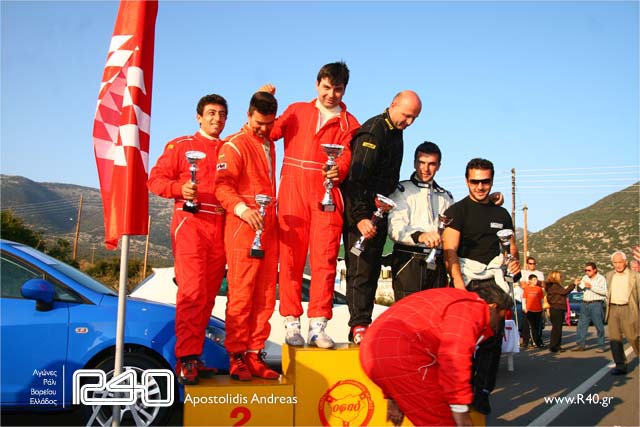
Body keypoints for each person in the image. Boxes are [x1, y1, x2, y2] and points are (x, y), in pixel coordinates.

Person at [261, 62, 360, 349]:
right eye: (326, 87)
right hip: (292, 189)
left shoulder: (350, 123)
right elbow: (269, 132)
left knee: (325, 261)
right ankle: (291, 321)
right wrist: (264, 102)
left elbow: (346, 157)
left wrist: (338, 171)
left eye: (337, 89)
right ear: (317, 85)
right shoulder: (296, 111)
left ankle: (318, 325)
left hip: (325, 194)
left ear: (344, 90)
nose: (331, 94)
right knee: (290, 260)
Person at [147, 94, 228, 385]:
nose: (216, 119)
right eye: (211, 113)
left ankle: (196, 355)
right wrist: (179, 188)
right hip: (190, 222)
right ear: (199, 117)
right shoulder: (181, 146)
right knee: (192, 292)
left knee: (208, 296)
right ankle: (186, 359)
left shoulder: (229, 149)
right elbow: (155, 180)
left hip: (221, 225)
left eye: (222, 114)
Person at [359, 287, 513, 427]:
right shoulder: (473, 307)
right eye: (500, 318)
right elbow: (454, 356)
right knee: (443, 421)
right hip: (404, 354)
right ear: (492, 307)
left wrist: (392, 396)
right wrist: (460, 409)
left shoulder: (449, 298)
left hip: (370, 352)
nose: (497, 326)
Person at [342, 90, 422, 344]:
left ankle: (364, 324)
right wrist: (360, 217)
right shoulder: (374, 131)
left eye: (414, 118)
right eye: (406, 115)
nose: (409, 122)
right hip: (361, 214)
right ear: (393, 105)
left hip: (379, 212)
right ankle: (358, 326)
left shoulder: (396, 133)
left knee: (373, 269)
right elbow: (355, 179)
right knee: (360, 270)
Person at [442, 157, 520, 415]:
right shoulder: (457, 211)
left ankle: (483, 390)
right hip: (467, 277)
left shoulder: (501, 214)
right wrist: (459, 285)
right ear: (467, 181)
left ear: (492, 181)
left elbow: (511, 249)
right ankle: (461, 390)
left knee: (493, 334)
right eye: (475, 181)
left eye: (485, 181)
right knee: (465, 341)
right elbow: (449, 251)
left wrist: (515, 264)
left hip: (495, 278)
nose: (480, 187)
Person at [214, 91, 280, 381]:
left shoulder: (269, 144)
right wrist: (242, 209)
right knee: (241, 294)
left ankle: (254, 353)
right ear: (248, 115)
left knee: (265, 295)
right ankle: (237, 356)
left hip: (268, 228)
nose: (263, 129)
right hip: (243, 227)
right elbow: (221, 186)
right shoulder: (234, 145)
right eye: (258, 123)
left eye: (268, 123)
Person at [386, 142, 454, 300]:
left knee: (436, 312)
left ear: (439, 166)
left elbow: (455, 230)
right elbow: (395, 229)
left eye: (432, 164)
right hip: (409, 260)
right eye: (421, 162)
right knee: (408, 312)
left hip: (438, 261)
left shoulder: (446, 196)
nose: (426, 169)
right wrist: (420, 236)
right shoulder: (401, 191)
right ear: (414, 163)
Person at [605, 251, 640, 375]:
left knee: (633, 337)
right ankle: (620, 365)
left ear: (625, 262)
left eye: (620, 262)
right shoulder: (609, 275)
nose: (618, 265)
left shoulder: (635, 276)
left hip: (629, 308)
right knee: (615, 339)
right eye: (615, 262)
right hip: (613, 309)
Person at [572, 261, 607, 352]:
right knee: (581, 325)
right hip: (585, 303)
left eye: (589, 270)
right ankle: (580, 344)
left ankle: (601, 346)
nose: (587, 272)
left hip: (596, 303)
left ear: (594, 270)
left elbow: (604, 292)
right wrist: (577, 285)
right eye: (585, 270)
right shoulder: (585, 277)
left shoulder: (601, 278)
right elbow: (580, 290)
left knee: (599, 325)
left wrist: (591, 287)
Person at [545, 271, 575, 353]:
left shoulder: (554, 286)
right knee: (557, 328)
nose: (560, 277)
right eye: (559, 276)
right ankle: (554, 346)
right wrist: (573, 285)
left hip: (557, 308)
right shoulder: (554, 286)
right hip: (556, 309)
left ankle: (557, 345)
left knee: (557, 328)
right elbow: (564, 292)